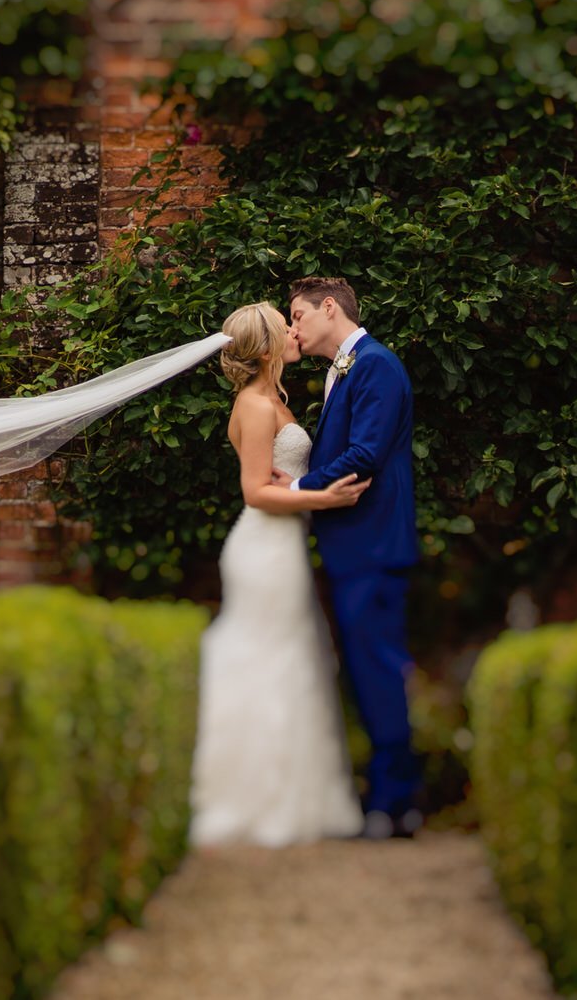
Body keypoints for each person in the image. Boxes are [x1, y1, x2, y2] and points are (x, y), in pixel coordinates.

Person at [188, 302, 370, 847]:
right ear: (267, 348)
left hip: (280, 546)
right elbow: (255, 493)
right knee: (269, 660)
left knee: (291, 658)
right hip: (264, 547)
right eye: (283, 326)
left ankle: (292, 796)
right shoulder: (257, 406)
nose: (294, 332)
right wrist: (325, 497)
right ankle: (254, 799)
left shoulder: (273, 401)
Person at [283, 277, 424, 840]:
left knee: (379, 671)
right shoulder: (344, 367)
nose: (293, 328)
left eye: (297, 316)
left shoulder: (375, 365)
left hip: (373, 545)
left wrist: (296, 490)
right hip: (353, 545)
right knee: (366, 674)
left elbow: (363, 455)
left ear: (329, 308)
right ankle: (389, 799)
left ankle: (396, 805)